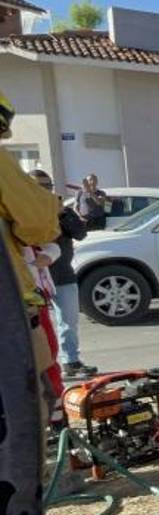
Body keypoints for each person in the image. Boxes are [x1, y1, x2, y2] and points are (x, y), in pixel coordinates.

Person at [0, 90, 63, 430]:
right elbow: (37, 225)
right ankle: (36, 482)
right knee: (26, 404)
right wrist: (52, 207)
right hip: (8, 310)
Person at [31, 170, 97, 377]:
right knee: (38, 327)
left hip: (63, 275)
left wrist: (60, 213)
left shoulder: (62, 210)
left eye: (48, 186)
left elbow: (80, 233)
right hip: (35, 279)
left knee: (69, 321)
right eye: (38, 186)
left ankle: (71, 361)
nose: (44, 190)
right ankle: (44, 368)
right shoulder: (23, 210)